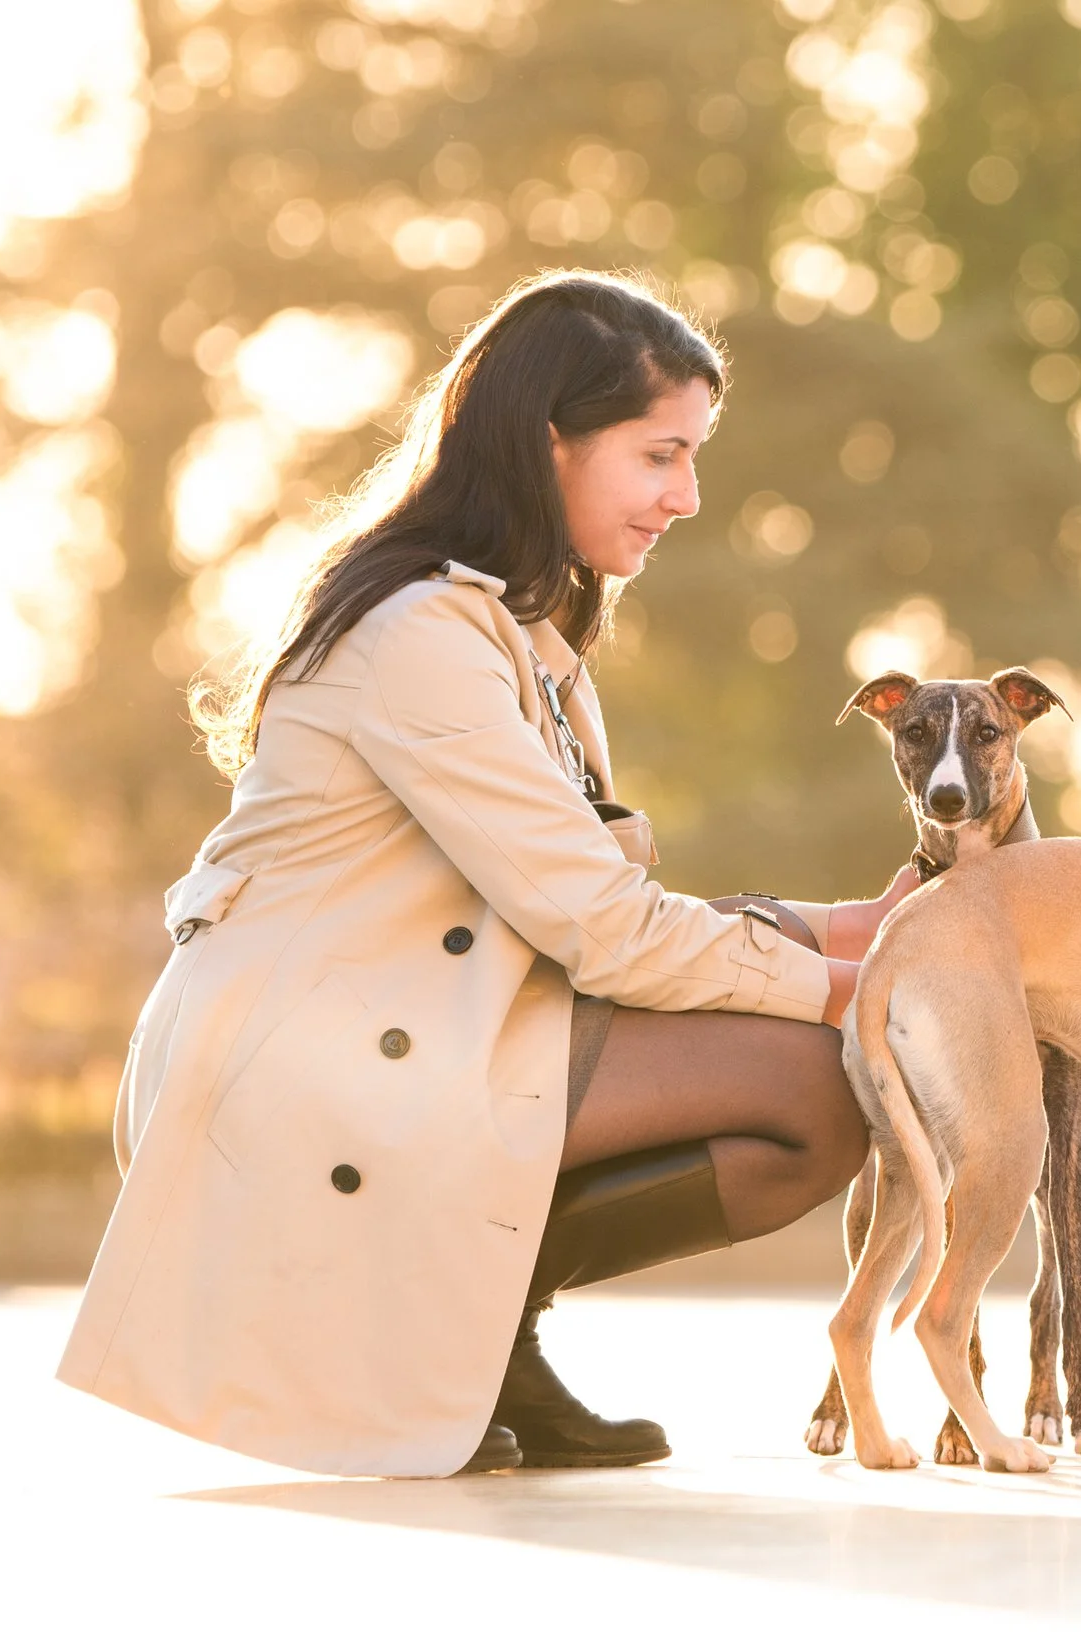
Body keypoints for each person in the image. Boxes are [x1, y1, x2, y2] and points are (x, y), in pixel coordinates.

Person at [58, 271, 911, 1477]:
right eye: (660, 454)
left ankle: (481, 1338)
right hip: (297, 1076)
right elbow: (606, 934)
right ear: (549, 439)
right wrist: (855, 987)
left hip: (416, 1028)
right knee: (821, 1081)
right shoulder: (418, 634)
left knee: (821, 1058)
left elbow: (580, 907)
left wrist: (866, 927)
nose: (689, 494)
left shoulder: (523, 636)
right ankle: (461, 1330)